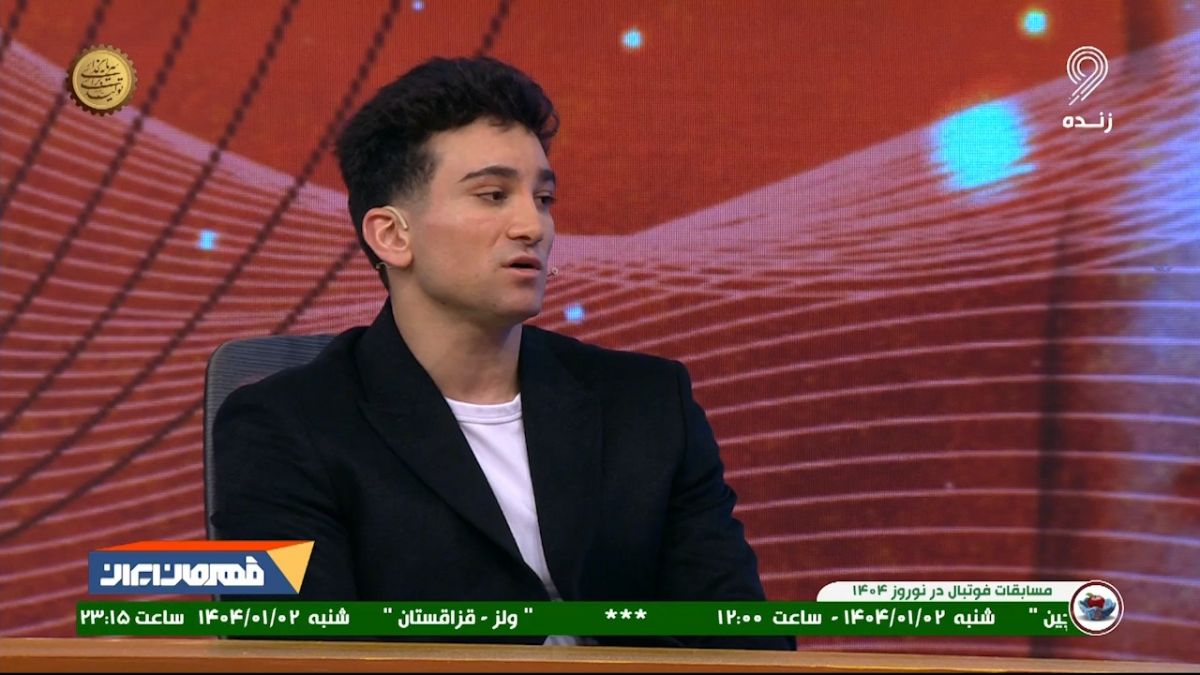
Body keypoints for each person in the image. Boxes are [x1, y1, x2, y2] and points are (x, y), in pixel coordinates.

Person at [210, 55, 794, 651]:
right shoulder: (285, 429)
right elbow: (304, 658)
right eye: (493, 195)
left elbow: (743, 644)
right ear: (392, 235)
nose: (532, 226)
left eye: (543, 198)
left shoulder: (647, 405)